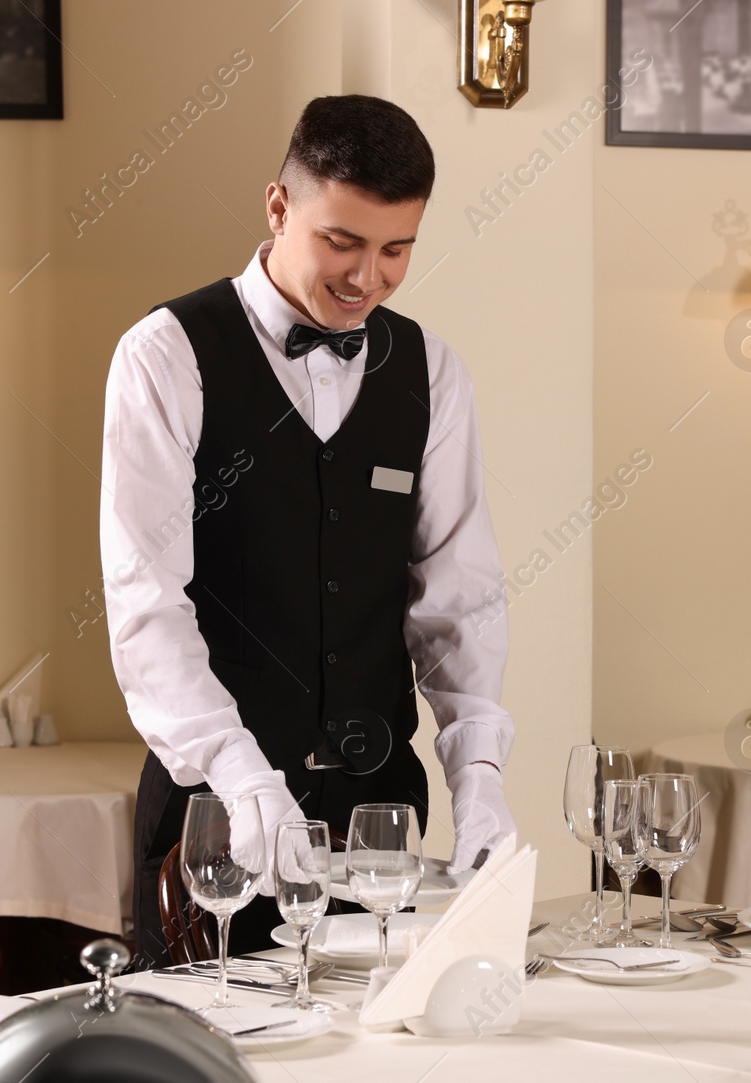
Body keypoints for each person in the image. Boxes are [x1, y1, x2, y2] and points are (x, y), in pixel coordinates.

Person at [99, 95, 517, 967]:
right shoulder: (166, 355)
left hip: (379, 820)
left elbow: (458, 598)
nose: (369, 277)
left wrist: (478, 777)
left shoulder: (432, 372)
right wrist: (245, 778)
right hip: (214, 818)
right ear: (279, 207)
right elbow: (148, 605)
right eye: (344, 242)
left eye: (396, 249)